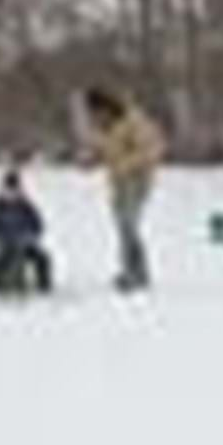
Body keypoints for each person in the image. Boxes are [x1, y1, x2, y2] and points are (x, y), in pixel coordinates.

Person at [85, 87, 165, 293]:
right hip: (117, 183)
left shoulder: (134, 121)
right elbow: (104, 151)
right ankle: (132, 269)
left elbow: (151, 150)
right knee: (123, 228)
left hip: (137, 181)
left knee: (129, 225)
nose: (96, 117)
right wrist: (92, 160)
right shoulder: (104, 127)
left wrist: (125, 165)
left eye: (97, 111)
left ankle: (135, 272)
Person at [0, 168, 53, 295]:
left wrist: (30, 237)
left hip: (24, 244)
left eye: (14, 190)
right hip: (4, 244)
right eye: (8, 190)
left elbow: (38, 225)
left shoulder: (26, 206)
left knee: (43, 259)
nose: (11, 194)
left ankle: (43, 286)